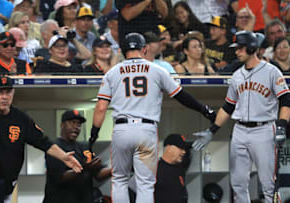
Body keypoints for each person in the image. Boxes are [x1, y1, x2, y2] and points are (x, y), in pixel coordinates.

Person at [89, 32, 216, 203]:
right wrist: (204, 110)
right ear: (144, 49)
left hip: (121, 129)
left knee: (119, 180)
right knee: (146, 184)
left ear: (122, 50)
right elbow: (181, 96)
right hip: (146, 129)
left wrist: (93, 136)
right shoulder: (156, 70)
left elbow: (101, 107)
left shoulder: (112, 73)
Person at [192, 30, 290, 203]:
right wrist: (212, 130)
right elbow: (228, 107)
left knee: (268, 184)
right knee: (238, 183)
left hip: (264, 129)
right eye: (236, 48)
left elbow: (288, 100)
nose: (237, 52)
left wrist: (281, 125)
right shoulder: (236, 76)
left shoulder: (271, 71)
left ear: (252, 47)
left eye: (240, 48)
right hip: (239, 130)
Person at [0, 76, 83, 202]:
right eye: (0, 92)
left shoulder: (21, 118)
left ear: (13, 93)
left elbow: (44, 142)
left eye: (8, 92)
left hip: (6, 186)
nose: (4, 97)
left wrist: (64, 157)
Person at [43, 109, 111, 203]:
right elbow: (60, 178)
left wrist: (118, 168)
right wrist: (84, 168)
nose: (76, 127)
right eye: (72, 123)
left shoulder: (85, 147)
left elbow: (98, 175)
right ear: (62, 125)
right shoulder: (54, 148)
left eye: (78, 124)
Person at [154, 134, 191, 203]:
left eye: (184, 149)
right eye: (181, 148)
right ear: (169, 148)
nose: (184, 152)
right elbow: (132, 189)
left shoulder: (180, 170)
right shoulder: (154, 169)